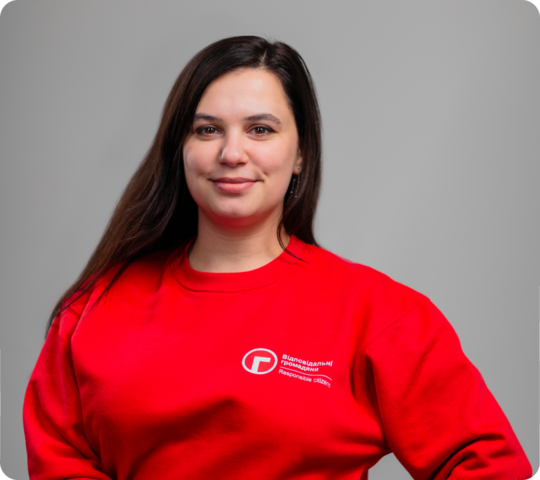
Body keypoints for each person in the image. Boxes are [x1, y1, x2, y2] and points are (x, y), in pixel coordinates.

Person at [23, 35, 532, 480]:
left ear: (301, 154)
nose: (232, 153)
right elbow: (59, 461)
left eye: (260, 129)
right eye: (207, 130)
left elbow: (489, 465)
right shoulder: (94, 308)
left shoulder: (378, 314)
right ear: (180, 149)